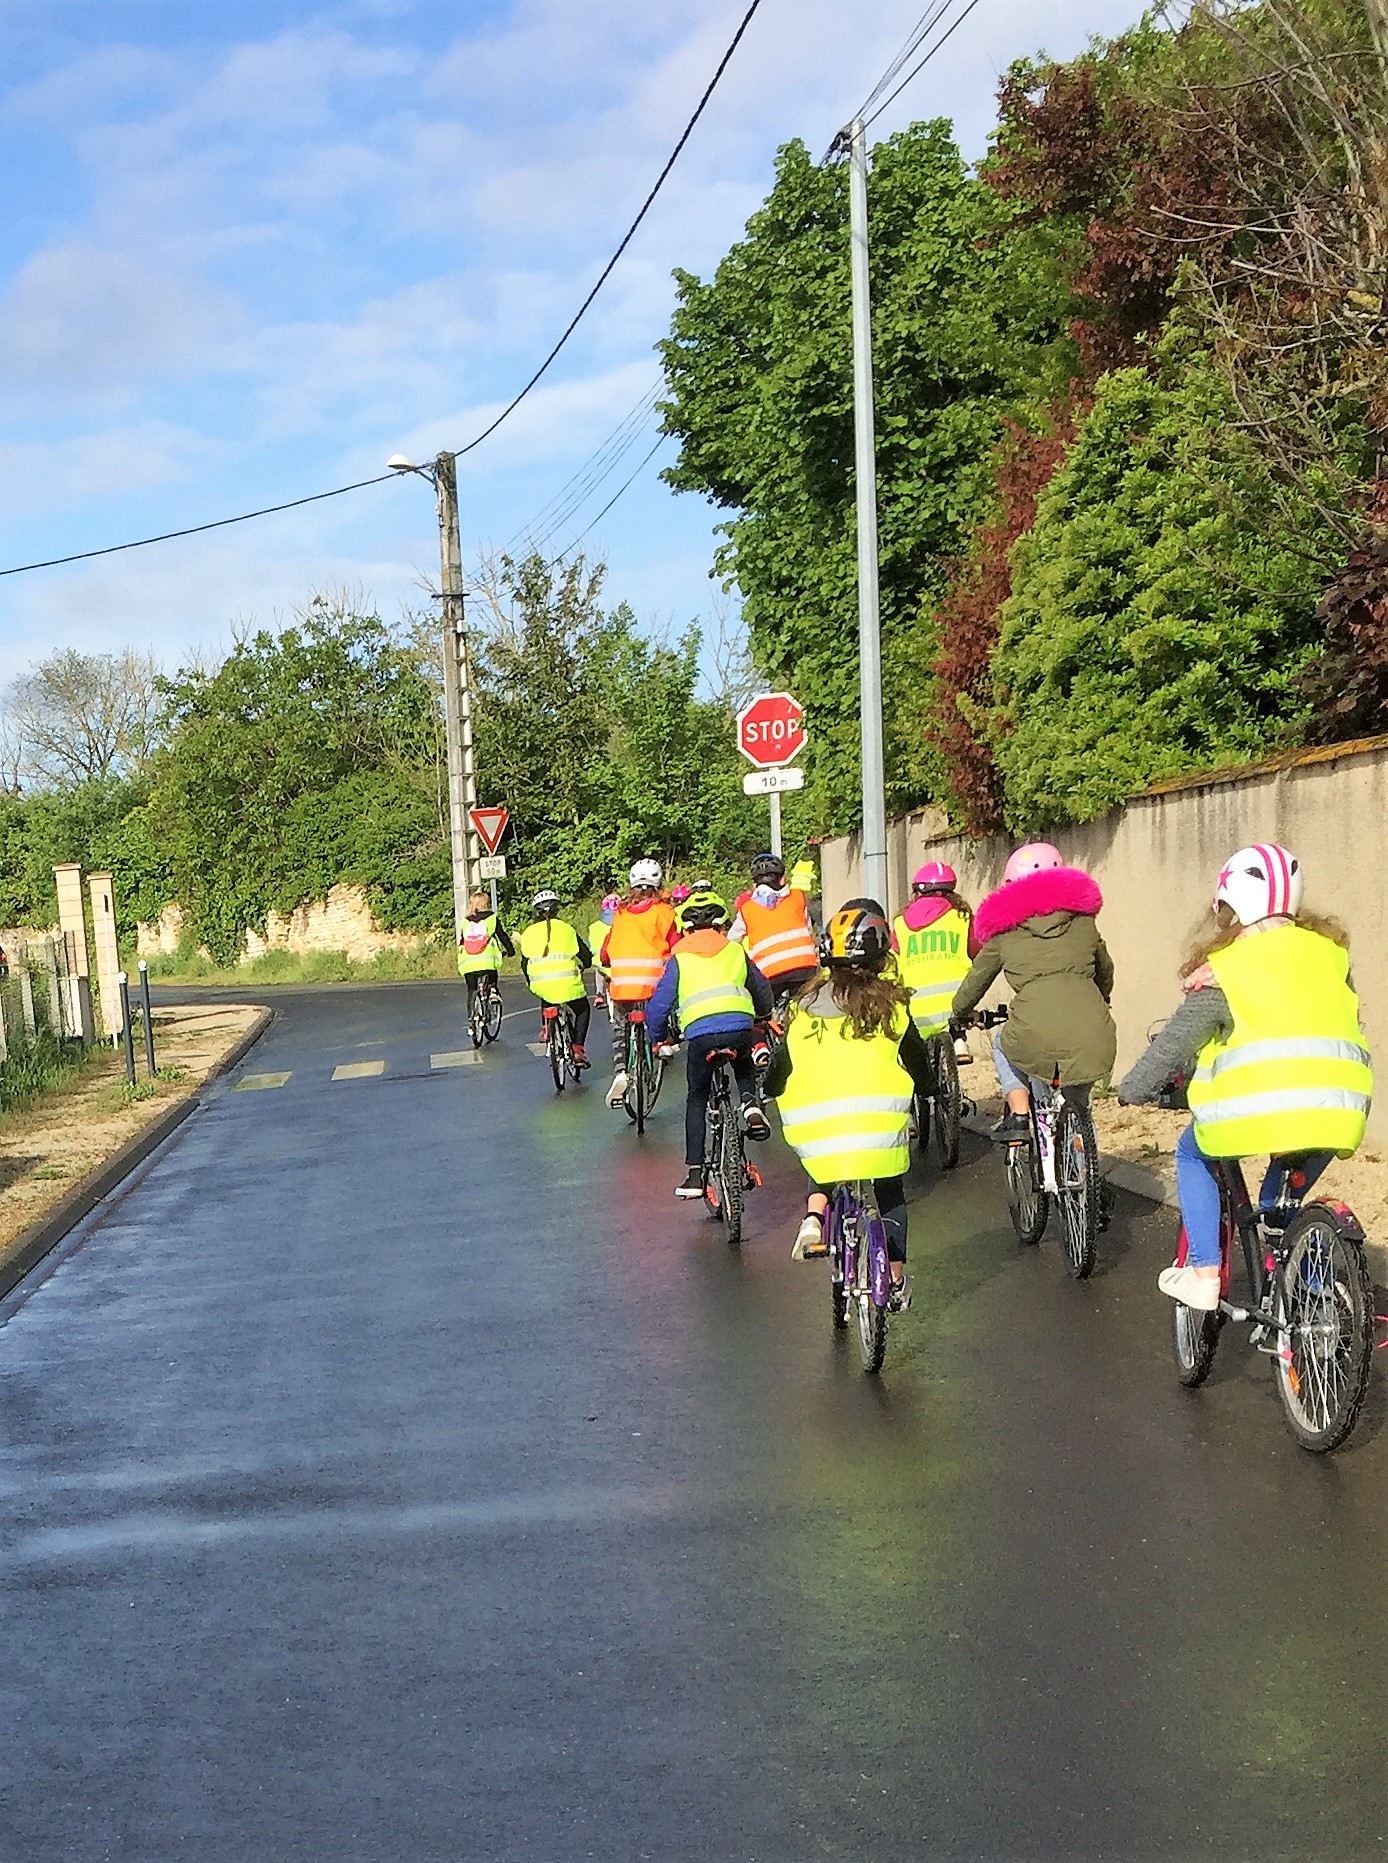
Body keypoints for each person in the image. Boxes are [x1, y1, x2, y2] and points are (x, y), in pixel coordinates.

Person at [1117, 844, 1372, 1309]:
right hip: (1341, 1104)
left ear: (1232, 909)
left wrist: (1133, 1090)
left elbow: (1173, 1048)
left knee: (1191, 1152)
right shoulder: (1332, 955)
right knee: (1283, 1187)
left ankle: (1203, 1274)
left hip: (1256, 1107)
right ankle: (1304, 1280)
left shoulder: (1225, 970)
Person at [765, 899, 935, 1308]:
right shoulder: (893, 1009)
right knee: (889, 1191)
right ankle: (894, 1279)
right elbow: (918, 1061)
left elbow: (778, 1069)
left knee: (824, 1155)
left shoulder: (802, 1011)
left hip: (816, 1130)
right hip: (878, 1130)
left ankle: (813, 1217)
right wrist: (930, 1089)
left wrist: (768, 1090)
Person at [951, 842, 1116, 1140]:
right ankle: (1081, 1148)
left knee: (1001, 1042)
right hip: (1091, 1027)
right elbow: (1105, 970)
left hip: (1031, 1029)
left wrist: (961, 1012)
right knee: (1078, 1099)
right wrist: (1102, 999)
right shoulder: (1084, 924)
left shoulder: (1005, 933)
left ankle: (1018, 1115)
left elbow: (975, 982)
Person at [648, 889, 774, 1198]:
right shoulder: (734, 951)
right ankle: (749, 1103)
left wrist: (658, 1036)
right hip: (739, 1027)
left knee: (697, 1098)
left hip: (700, 1035)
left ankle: (695, 1176)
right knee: (743, 1065)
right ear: (722, 926)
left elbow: (659, 1006)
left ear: (686, 929)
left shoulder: (679, 958)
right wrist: (763, 1014)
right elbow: (761, 989)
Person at [601, 858, 681, 1106]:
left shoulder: (620, 914)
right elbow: (678, 948)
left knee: (620, 1027)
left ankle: (620, 1072)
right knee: (663, 1008)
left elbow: (605, 953)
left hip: (622, 986)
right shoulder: (665, 913)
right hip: (652, 985)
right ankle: (661, 1042)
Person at [892, 861, 975, 1065]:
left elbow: (892, 961)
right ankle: (958, 1039)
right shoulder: (962, 917)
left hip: (914, 1008)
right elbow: (977, 951)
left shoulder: (900, 923)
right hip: (955, 1008)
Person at [729, 851, 820, 1005]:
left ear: (754, 885)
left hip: (769, 972)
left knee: (765, 1011)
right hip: (805, 966)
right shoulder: (798, 897)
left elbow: (731, 942)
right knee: (808, 1006)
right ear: (783, 879)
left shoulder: (747, 909)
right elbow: (809, 930)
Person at [517, 890, 593, 1068]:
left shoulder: (528, 933)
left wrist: (530, 980)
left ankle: (546, 1027)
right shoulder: (567, 929)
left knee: (547, 994)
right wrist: (586, 964)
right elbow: (585, 955)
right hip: (567, 982)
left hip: (540, 983)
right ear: (557, 909)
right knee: (582, 1010)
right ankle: (577, 1048)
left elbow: (524, 962)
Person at [457, 889, 514, 1021]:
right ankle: (493, 989)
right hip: (486, 959)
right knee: (491, 974)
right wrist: (510, 951)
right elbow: (502, 936)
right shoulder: (491, 918)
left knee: (471, 990)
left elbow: (462, 941)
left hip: (468, 961)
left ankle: (472, 1018)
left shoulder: (466, 921)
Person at [587, 893, 619, 1008]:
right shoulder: (622, 923)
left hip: (600, 962)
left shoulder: (594, 927)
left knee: (599, 971)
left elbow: (588, 945)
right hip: (618, 961)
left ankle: (599, 994)